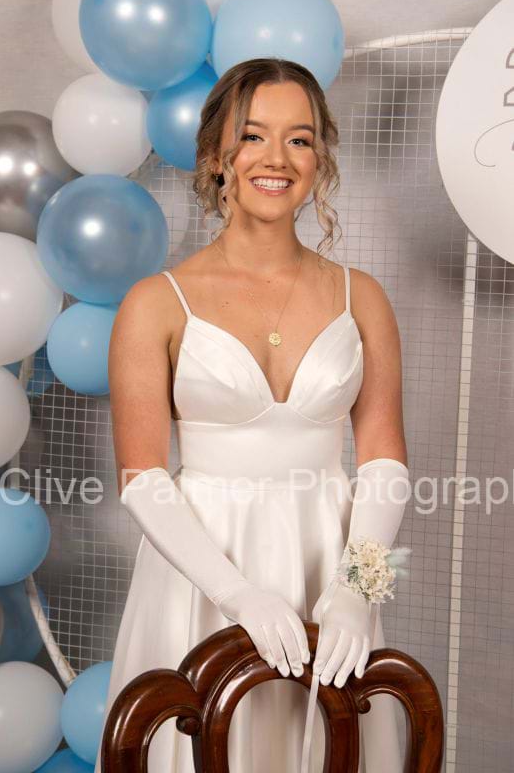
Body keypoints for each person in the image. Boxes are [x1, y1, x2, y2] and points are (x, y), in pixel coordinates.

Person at [94, 58, 409, 773]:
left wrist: (358, 591)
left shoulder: (363, 298)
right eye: (253, 136)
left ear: (319, 159)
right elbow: (142, 476)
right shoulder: (156, 302)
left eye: (299, 139)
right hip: (203, 570)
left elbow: (385, 461)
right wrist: (234, 593)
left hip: (328, 563)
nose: (276, 158)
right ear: (216, 155)